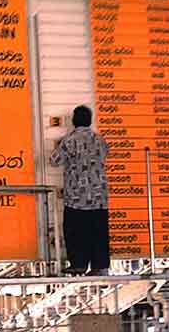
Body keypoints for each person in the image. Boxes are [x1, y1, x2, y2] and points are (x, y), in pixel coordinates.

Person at [50, 105, 110, 276]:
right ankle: (100, 266)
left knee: (76, 231)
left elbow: (54, 160)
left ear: (74, 121)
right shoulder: (99, 139)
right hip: (99, 195)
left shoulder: (70, 140)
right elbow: (106, 154)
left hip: (77, 196)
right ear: (89, 121)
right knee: (98, 231)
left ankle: (79, 264)